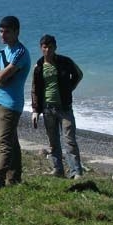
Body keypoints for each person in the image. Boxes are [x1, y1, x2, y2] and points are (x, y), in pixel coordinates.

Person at [0, 16, 31, 189]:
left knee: (4, 142)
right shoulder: (2, 53)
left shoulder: (20, 53)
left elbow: (3, 76)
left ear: (16, 32)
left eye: (7, 32)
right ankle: (15, 177)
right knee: (11, 140)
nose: (3, 35)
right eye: (1, 31)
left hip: (11, 104)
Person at [31, 34, 84, 178]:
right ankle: (58, 169)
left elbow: (79, 75)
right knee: (53, 141)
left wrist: (69, 89)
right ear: (41, 48)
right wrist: (35, 110)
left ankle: (76, 171)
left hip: (65, 108)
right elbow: (35, 89)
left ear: (55, 47)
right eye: (45, 47)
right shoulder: (38, 67)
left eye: (50, 47)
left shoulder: (65, 62)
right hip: (47, 108)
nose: (47, 50)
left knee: (70, 140)